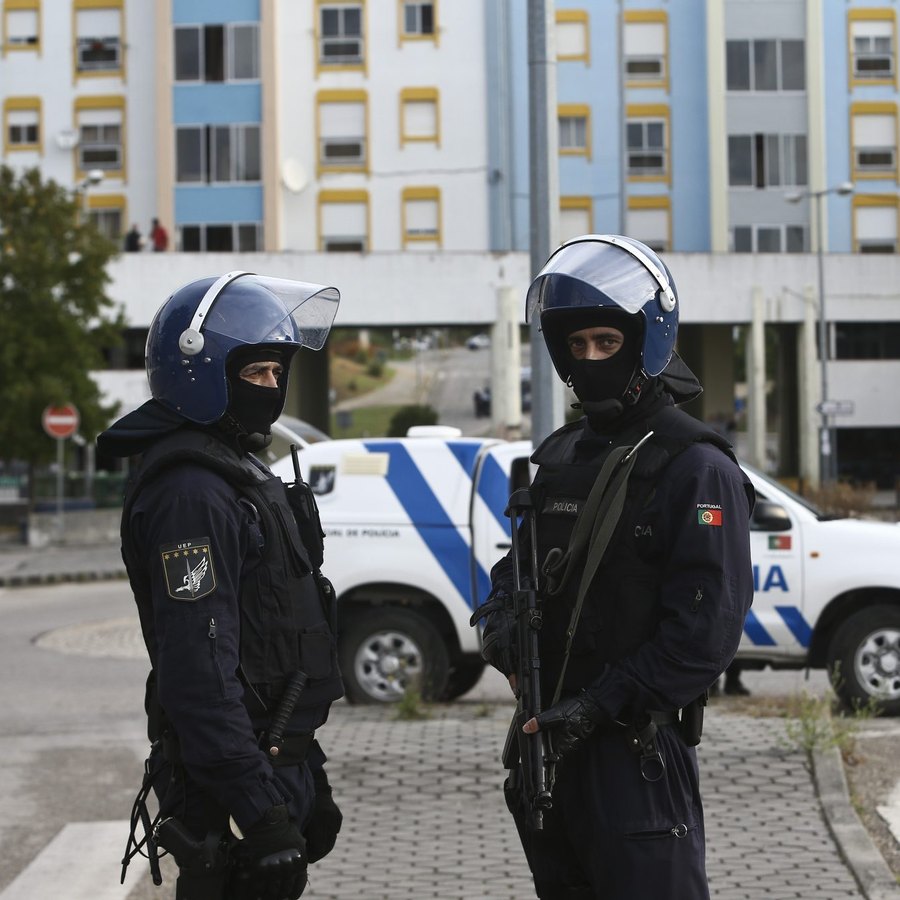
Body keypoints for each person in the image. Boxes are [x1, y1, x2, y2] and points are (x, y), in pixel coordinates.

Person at [476, 235, 755, 899]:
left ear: (646, 341)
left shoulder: (696, 467)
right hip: (548, 751)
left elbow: (702, 636)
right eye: (578, 346)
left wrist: (597, 706)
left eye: (607, 341)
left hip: (635, 757)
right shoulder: (564, 452)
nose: (592, 360)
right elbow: (514, 576)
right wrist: (501, 636)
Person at [98, 272, 345, 899]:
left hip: (269, 761)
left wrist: (306, 770)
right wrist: (258, 809)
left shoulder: (233, 473)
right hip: (232, 786)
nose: (272, 390)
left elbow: (273, 647)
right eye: (257, 372)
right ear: (201, 372)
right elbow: (200, 672)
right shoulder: (193, 494)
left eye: (276, 374)